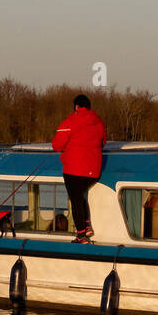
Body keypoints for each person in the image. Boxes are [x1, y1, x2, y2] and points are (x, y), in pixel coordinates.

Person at [52, 94, 107, 243]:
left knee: (75, 199)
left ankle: (81, 234)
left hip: (73, 170)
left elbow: (57, 145)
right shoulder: (99, 123)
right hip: (93, 171)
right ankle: (87, 226)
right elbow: (103, 142)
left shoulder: (70, 122)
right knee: (80, 195)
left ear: (76, 107)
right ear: (89, 107)